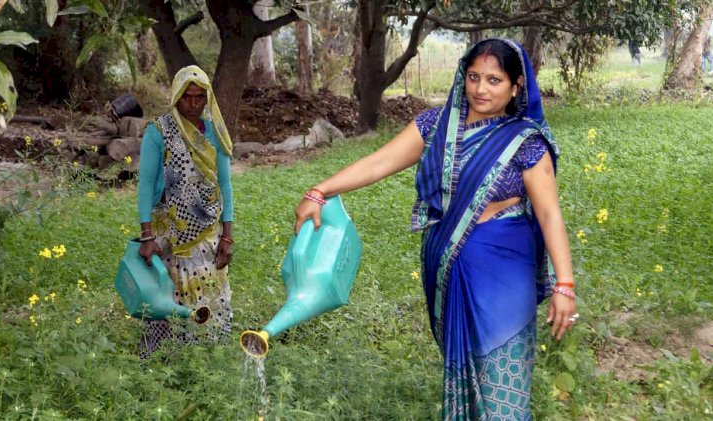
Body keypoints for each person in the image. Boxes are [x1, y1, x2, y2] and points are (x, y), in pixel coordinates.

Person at [294, 38, 577, 419]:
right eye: (474, 76)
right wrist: (320, 190)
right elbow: (379, 163)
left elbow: (549, 215)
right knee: (463, 370)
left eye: (494, 80)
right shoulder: (436, 125)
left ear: (516, 86)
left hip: (504, 273)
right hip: (448, 266)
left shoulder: (526, 142)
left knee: (502, 382)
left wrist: (565, 285)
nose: (480, 88)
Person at [136, 65, 235, 359]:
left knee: (210, 297)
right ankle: (164, 361)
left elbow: (225, 185)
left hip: (207, 234)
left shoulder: (214, 133)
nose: (193, 105)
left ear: (208, 99)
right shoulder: (160, 131)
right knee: (169, 297)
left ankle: (207, 358)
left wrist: (227, 236)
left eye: (199, 97)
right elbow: (144, 184)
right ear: (176, 97)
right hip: (169, 234)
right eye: (186, 98)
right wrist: (146, 237)